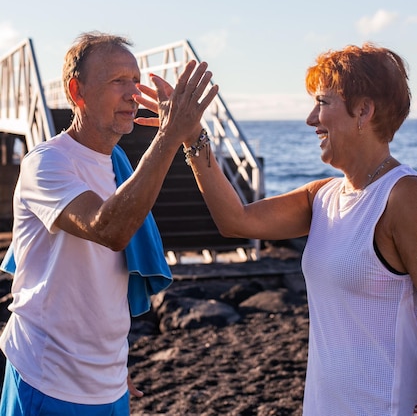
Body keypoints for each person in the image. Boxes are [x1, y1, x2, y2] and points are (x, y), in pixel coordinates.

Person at [138, 42, 417, 416]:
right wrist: (192, 135)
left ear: (363, 111)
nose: (311, 119)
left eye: (323, 103)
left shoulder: (403, 196)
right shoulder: (323, 196)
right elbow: (236, 220)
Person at [0, 31, 218, 416]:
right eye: (119, 81)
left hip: (109, 381)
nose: (133, 93)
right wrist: (168, 136)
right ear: (77, 92)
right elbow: (108, 230)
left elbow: (102, 283)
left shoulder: (121, 167)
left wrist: (114, 366)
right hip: (48, 379)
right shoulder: (47, 163)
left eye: (136, 81)